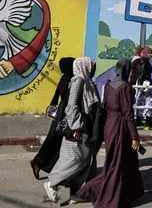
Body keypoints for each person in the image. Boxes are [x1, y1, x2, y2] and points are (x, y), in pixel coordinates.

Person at [78, 58, 145, 207]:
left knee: (115, 162)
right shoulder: (125, 88)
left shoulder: (109, 85)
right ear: (127, 70)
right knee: (118, 164)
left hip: (109, 125)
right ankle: (107, 197)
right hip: (120, 127)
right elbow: (128, 114)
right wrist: (135, 137)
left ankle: (109, 193)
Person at [44, 57, 100, 204]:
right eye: (92, 67)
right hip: (78, 127)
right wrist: (76, 127)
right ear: (85, 67)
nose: (93, 69)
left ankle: (77, 193)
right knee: (76, 159)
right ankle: (52, 183)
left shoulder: (87, 81)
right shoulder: (79, 81)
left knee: (86, 160)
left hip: (86, 125)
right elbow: (72, 105)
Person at [30, 57, 75, 180]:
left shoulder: (64, 78)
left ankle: (50, 167)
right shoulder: (70, 80)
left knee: (56, 140)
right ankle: (38, 162)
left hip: (61, 113)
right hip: (65, 114)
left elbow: (56, 95)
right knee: (55, 140)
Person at [135, 46, 152, 130]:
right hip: (145, 83)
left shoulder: (143, 61)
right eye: (150, 53)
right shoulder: (144, 61)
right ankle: (147, 120)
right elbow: (142, 73)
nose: (151, 55)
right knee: (149, 100)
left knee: (140, 101)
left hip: (144, 82)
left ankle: (139, 119)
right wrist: (140, 85)